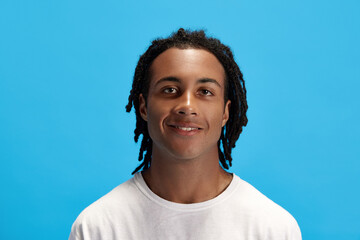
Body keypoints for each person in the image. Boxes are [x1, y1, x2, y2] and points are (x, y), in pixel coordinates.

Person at [69, 28, 302, 240]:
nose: (187, 105)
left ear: (225, 112)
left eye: (205, 91)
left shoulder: (273, 228)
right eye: (170, 90)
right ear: (143, 107)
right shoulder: (97, 227)